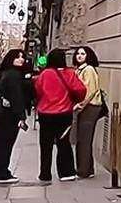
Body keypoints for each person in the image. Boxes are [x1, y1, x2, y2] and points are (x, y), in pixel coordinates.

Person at [32, 49, 86, 183]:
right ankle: (66, 172)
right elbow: (81, 89)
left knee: (45, 144)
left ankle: (45, 174)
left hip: (45, 114)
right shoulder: (70, 73)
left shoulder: (44, 74)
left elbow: (38, 90)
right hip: (64, 113)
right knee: (63, 142)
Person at [0, 49, 32, 183]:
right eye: (18, 57)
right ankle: (1, 173)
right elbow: (16, 97)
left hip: (0, 112)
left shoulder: (3, 73)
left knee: (0, 142)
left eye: (22, 57)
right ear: (11, 59)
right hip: (8, 114)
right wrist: (21, 116)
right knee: (6, 143)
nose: (21, 59)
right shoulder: (14, 75)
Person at [71, 48, 106, 179]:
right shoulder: (79, 70)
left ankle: (83, 170)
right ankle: (86, 168)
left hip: (90, 107)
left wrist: (81, 105)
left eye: (83, 54)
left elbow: (90, 90)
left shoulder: (88, 70)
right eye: (78, 53)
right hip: (86, 106)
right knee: (82, 138)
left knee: (84, 139)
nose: (79, 56)